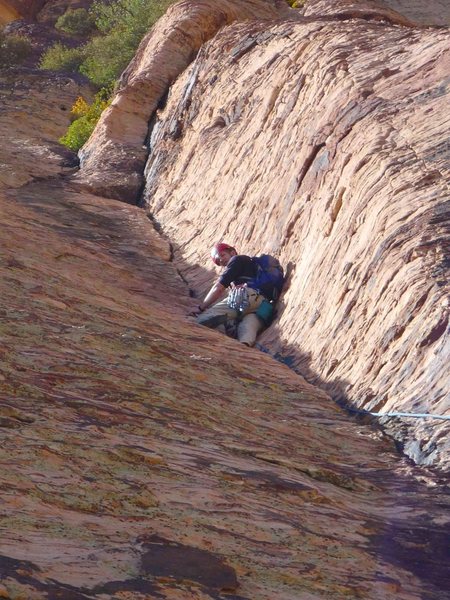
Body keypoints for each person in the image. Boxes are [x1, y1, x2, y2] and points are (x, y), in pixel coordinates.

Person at [192, 242, 269, 347]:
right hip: (263, 306)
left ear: (232, 252)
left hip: (246, 297)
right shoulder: (251, 266)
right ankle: (244, 348)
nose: (221, 260)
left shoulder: (236, 260)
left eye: (222, 255)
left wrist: (201, 308)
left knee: (204, 318)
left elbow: (218, 288)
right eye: (219, 261)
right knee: (247, 329)